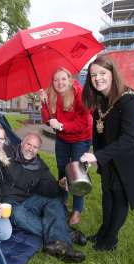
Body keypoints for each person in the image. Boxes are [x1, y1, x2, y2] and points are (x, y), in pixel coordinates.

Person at [80, 55, 134, 251]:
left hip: (129, 158)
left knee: (118, 197)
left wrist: (98, 156)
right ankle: (103, 232)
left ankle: (110, 240)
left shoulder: (128, 100)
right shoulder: (100, 100)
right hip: (109, 158)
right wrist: (97, 156)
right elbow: (99, 133)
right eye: (93, 75)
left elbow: (129, 139)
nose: (98, 78)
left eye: (102, 73)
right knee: (107, 195)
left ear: (112, 74)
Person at [0, 132, 86, 263]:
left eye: (35, 147)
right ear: (22, 143)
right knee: (17, 214)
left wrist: (60, 185)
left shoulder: (39, 165)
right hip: (8, 201)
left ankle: (60, 241)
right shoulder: (7, 150)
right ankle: (65, 236)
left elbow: (50, 188)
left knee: (54, 201)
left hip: (28, 199)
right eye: (29, 144)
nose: (31, 149)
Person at [39, 67, 92, 225]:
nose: (59, 82)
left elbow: (84, 122)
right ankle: (63, 201)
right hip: (62, 138)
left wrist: (62, 126)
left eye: (63, 79)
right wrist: (43, 103)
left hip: (80, 138)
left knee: (76, 175)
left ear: (69, 79)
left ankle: (77, 210)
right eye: (56, 80)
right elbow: (47, 119)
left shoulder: (79, 94)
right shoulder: (52, 95)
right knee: (62, 170)